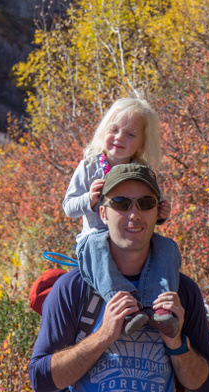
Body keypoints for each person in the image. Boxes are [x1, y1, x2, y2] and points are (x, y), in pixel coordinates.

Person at [30, 163, 209, 392]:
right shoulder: (74, 288)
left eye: (145, 203)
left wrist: (177, 344)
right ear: (103, 213)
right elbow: (40, 380)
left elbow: (208, 385)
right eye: (120, 203)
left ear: (158, 212)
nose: (134, 215)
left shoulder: (182, 290)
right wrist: (104, 336)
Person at [63, 98, 180, 337]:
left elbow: (147, 207)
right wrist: (89, 199)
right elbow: (68, 207)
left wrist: (160, 215)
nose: (119, 138)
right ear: (103, 131)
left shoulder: (144, 171)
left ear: (141, 144)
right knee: (97, 247)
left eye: (130, 134)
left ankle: (160, 308)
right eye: (114, 130)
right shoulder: (88, 167)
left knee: (166, 247)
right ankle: (125, 307)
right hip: (95, 236)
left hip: (132, 237)